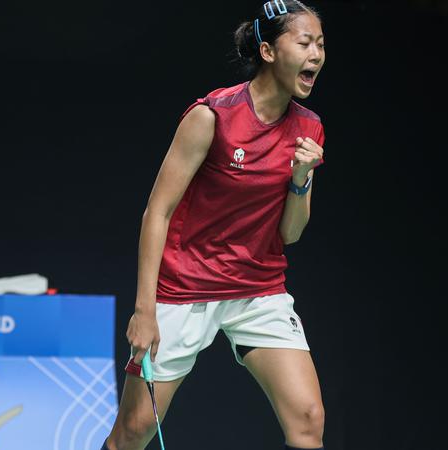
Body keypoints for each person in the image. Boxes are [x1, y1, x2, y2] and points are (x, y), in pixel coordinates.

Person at [102, 1, 327, 449]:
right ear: (267, 51)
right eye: (304, 43)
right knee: (134, 430)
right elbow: (157, 212)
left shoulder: (309, 128)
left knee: (308, 420)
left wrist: (301, 179)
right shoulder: (212, 116)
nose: (317, 55)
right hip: (185, 286)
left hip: (257, 289)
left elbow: (290, 234)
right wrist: (145, 311)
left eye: (321, 44)